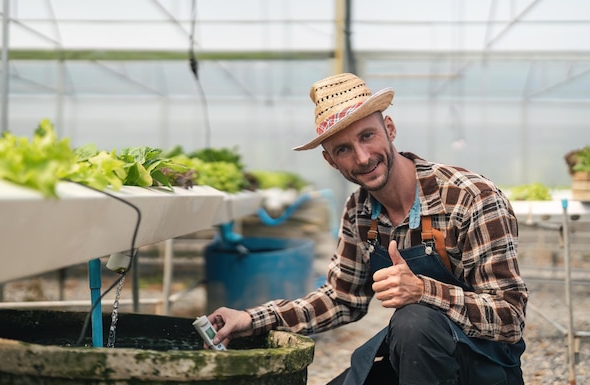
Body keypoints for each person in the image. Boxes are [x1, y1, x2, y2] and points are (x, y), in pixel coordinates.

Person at [207, 72, 528, 385]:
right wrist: (253, 319)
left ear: (389, 128)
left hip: (486, 368)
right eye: (343, 149)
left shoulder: (468, 196)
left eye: (367, 136)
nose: (361, 158)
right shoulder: (359, 211)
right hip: (418, 361)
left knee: (414, 319)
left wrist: (423, 291)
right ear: (331, 161)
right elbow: (341, 298)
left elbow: (510, 317)